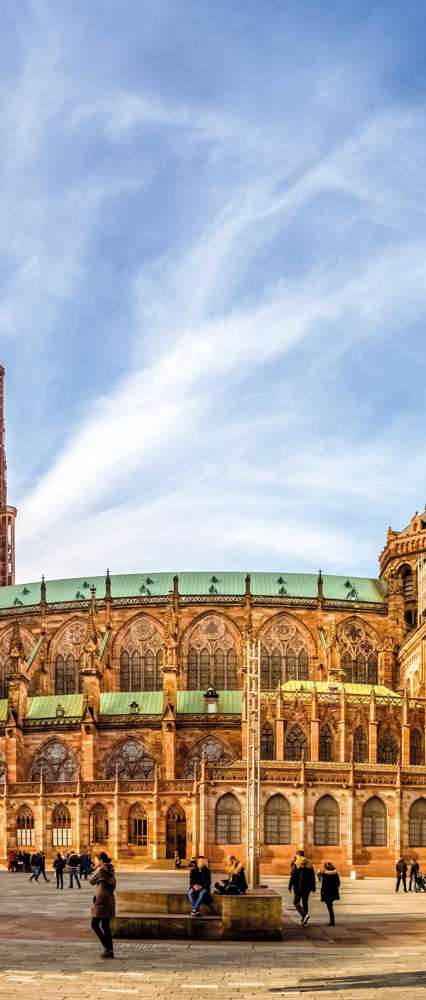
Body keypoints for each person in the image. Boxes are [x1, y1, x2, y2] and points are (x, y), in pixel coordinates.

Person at [89, 851, 116, 959]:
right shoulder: (111, 869)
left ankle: (107, 947)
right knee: (105, 926)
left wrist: (96, 869)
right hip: (109, 899)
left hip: (101, 901)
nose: (95, 861)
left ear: (100, 860)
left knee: (94, 925)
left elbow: (91, 881)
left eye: (95, 859)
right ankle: (110, 950)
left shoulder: (101, 870)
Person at [288, 850, 316, 926]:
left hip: (298, 887)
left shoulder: (296, 864)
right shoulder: (310, 865)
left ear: (298, 855)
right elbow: (313, 877)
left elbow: (293, 876)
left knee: (296, 902)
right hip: (307, 888)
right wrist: (313, 887)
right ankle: (305, 922)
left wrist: (290, 886)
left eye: (297, 856)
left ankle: (304, 915)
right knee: (305, 903)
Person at [318, 862, 340, 926]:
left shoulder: (325, 873)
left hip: (327, 892)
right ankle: (332, 921)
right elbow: (338, 883)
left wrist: (319, 874)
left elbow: (322, 882)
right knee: (330, 906)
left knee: (329, 907)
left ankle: (332, 922)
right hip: (333, 892)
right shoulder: (335, 873)